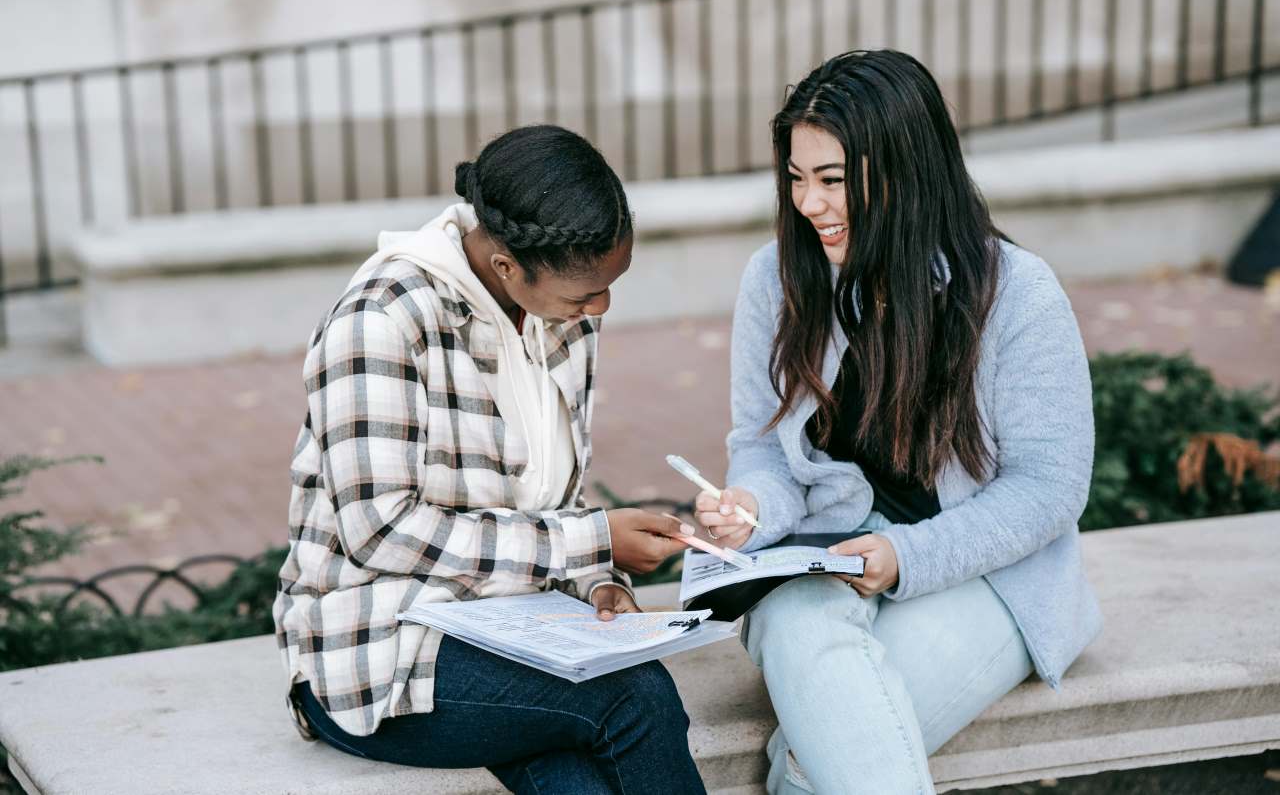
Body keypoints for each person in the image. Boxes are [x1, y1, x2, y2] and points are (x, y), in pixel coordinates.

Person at [694, 50, 1101, 794]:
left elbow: (1049, 487)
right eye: (795, 179)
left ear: (906, 170)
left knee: (809, 766)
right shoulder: (776, 280)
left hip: (986, 574)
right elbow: (762, 448)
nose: (807, 204)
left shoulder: (1017, 295)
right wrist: (752, 506)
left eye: (832, 180)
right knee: (793, 625)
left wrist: (905, 555)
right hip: (824, 559)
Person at [274, 124, 706, 795]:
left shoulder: (557, 318)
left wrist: (598, 581)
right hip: (376, 652)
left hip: (511, 631)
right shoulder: (380, 321)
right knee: (634, 695)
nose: (602, 307)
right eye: (584, 294)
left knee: (580, 782)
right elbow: (380, 529)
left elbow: (545, 503)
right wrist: (587, 539)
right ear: (506, 266)